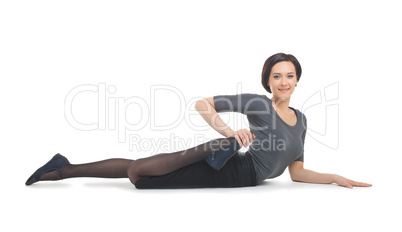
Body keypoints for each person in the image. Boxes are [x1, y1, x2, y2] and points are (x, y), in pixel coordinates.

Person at [25, 53, 372, 189]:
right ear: (267, 80)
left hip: (246, 177)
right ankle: (221, 145)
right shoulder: (256, 103)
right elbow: (202, 103)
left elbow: (296, 172)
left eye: (290, 76)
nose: (283, 81)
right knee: (138, 174)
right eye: (276, 76)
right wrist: (229, 131)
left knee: (142, 177)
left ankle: (62, 168)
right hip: (238, 171)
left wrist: (334, 178)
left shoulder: (303, 120)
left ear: (298, 80)